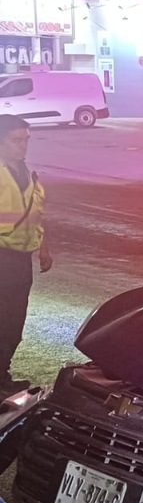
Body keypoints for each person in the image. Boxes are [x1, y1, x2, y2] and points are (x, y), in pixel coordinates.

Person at [0, 115, 52, 393]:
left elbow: (34, 213)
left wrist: (43, 246)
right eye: (16, 140)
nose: (23, 146)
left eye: (26, 140)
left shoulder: (26, 173)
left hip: (20, 261)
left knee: (13, 322)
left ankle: (2, 376)